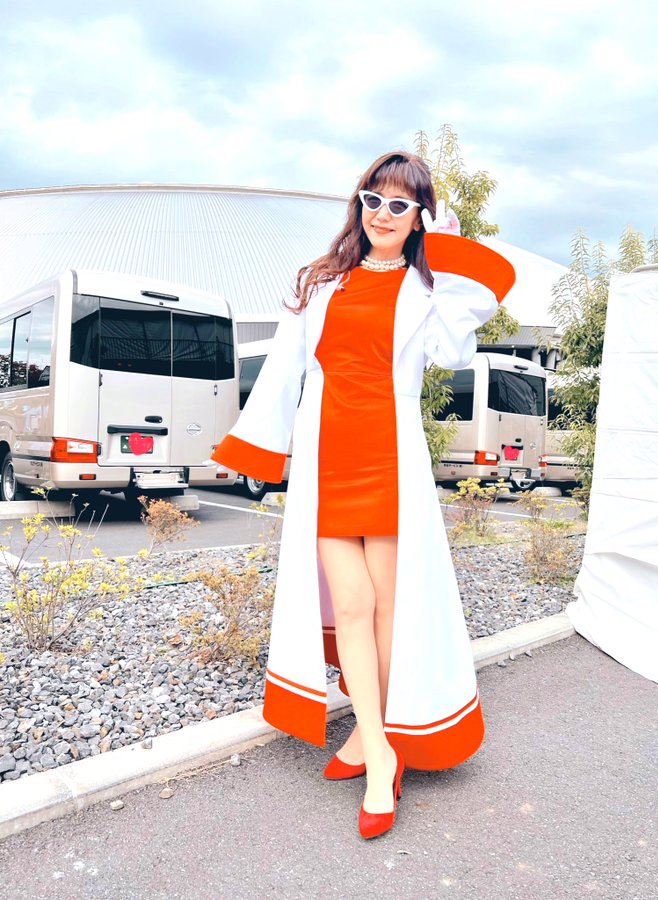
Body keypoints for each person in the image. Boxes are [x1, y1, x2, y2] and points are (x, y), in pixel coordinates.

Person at [212, 151, 515, 839]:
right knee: (349, 603)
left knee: (386, 612)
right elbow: (283, 370)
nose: (382, 213)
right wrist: (257, 448)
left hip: (390, 458)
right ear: (359, 205)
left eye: (400, 204)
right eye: (372, 199)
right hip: (328, 457)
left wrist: (446, 259)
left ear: (419, 218)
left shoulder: (426, 290)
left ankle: (368, 742)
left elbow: (455, 352)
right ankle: (380, 752)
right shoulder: (322, 282)